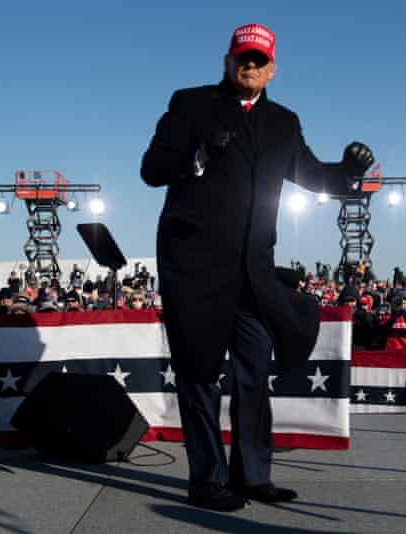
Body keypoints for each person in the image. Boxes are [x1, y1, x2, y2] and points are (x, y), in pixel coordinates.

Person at [140, 22, 374, 511]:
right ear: (227, 60)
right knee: (200, 373)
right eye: (242, 57)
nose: (250, 66)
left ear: (272, 68)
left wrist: (349, 173)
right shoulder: (191, 103)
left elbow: (312, 175)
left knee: (253, 371)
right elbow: (152, 170)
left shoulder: (283, 122)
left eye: (259, 60)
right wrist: (197, 156)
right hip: (196, 267)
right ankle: (206, 480)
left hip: (253, 270)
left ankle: (252, 476)